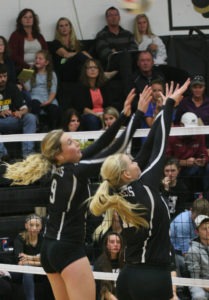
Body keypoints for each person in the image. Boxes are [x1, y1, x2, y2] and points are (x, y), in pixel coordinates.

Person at [4, 87, 152, 300]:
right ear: (59, 154)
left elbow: (100, 144)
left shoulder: (62, 168)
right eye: (70, 142)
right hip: (68, 249)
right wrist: (139, 114)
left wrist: (122, 117)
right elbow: (116, 148)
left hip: (50, 248)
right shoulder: (77, 171)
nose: (77, 143)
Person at [89, 79, 191, 300]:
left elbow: (147, 150)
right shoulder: (144, 187)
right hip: (153, 278)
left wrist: (155, 112)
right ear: (127, 174)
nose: (137, 162)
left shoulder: (120, 189)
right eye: (132, 161)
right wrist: (169, 106)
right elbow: (160, 146)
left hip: (128, 277)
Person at [96, 6, 138, 97]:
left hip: (129, 62)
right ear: (106, 19)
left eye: (116, 15)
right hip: (111, 63)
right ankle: (130, 94)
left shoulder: (128, 34)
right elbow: (104, 53)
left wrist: (118, 51)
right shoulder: (102, 35)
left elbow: (134, 49)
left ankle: (116, 72)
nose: (113, 17)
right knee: (125, 57)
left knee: (134, 57)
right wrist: (123, 52)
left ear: (119, 17)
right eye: (110, 15)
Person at [166, 111, 209, 193]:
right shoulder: (172, 134)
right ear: (181, 125)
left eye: (193, 128)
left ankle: (206, 197)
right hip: (177, 167)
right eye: (189, 129)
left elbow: (203, 152)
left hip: (195, 167)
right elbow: (166, 159)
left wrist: (203, 160)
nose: (192, 131)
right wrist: (183, 162)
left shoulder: (199, 133)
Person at [0, 63, 36, 160]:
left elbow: (25, 108)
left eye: (5, 76)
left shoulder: (12, 88)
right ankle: (3, 156)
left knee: (30, 118)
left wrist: (20, 112)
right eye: (0, 77)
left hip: (13, 119)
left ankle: (28, 155)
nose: (3, 79)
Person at [170, 198, 209, 277]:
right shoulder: (183, 223)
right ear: (191, 210)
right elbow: (186, 253)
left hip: (197, 248)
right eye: (196, 217)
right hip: (177, 253)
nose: (198, 221)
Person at [24, 49, 60, 130]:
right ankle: (37, 125)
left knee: (53, 109)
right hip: (35, 96)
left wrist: (49, 101)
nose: (37, 60)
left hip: (48, 98)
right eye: (36, 58)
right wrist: (28, 71)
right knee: (34, 104)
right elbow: (27, 88)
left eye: (40, 59)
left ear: (46, 62)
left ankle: (53, 129)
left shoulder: (52, 74)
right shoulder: (31, 72)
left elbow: (53, 90)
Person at [76, 58, 115, 130]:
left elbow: (109, 104)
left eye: (95, 67)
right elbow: (83, 108)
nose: (93, 70)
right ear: (85, 70)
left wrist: (105, 115)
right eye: (90, 67)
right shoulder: (81, 87)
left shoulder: (104, 86)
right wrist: (98, 115)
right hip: (89, 115)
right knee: (92, 119)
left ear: (99, 70)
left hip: (104, 113)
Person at [50, 17, 91, 82]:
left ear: (70, 27)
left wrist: (93, 61)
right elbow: (66, 55)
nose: (64, 28)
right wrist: (82, 53)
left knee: (87, 63)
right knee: (80, 56)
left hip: (77, 71)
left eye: (66, 25)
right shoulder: (55, 43)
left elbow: (87, 58)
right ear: (58, 29)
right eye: (61, 26)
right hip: (63, 71)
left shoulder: (78, 44)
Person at [8, 8, 48, 74]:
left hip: (41, 67)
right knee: (27, 82)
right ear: (20, 20)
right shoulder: (15, 35)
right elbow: (13, 55)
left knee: (49, 79)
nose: (28, 19)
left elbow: (46, 52)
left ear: (34, 20)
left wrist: (41, 65)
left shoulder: (39, 36)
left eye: (30, 17)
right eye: (25, 17)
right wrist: (28, 66)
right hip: (24, 68)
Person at [175, 75, 209, 149]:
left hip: (207, 142)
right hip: (187, 143)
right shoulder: (184, 103)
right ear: (191, 88)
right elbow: (177, 122)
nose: (197, 90)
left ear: (204, 88)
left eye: (200, 87)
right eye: (195, 87)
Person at [14, 214, 43, 300]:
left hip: (42, 270)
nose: (34, 228)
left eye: (37, 225)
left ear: (41, 227)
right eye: (31, 225)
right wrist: (39, 260)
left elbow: (47, 259)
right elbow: (20, 260)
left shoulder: (44, 238)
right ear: (26, 226)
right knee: (28, 268)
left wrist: (28, 258)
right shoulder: (20, 238)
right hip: (24, 271)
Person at [94, 232, 124, 300]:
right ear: (106, 245)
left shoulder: (126, 262)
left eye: (118, 242)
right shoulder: (100, 263)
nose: (115, 244)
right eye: (112, 242)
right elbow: (104, 291)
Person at [185, 214, 209, 300]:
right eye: (204, 229)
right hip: (197, 282)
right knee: (199, 297)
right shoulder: (192, 251)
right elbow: (195, 278)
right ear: (197, 232)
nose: (208, 231)